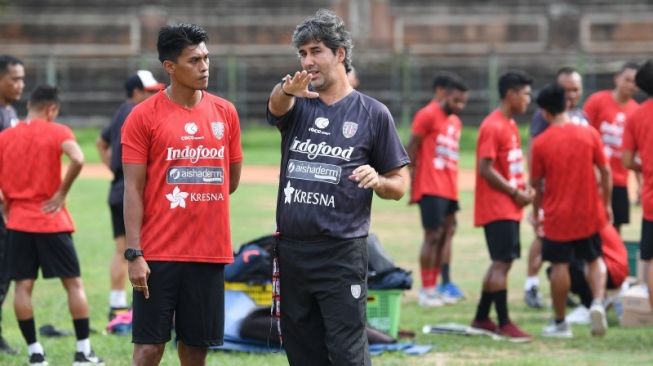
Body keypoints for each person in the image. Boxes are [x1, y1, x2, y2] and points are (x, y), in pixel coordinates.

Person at [266, 9, 409, 365]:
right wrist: (287, 89)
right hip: (293, 250)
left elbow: (400, 184)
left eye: (316, 51)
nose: (308, 61)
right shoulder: (297, 103)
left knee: (346, 352)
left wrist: (379, 181)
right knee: (302, 352)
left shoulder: (373, 114)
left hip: (341, 253)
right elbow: (275, 105)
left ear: (340, 54)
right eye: (302, 53)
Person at [121, 24, 242, 366]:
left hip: (208, 252)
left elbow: (228, 182)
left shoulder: (225, 113)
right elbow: (132, 187)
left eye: (206, 57)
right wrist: (134, 253)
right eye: (194, 60)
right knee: (148, 348)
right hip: (158, 253)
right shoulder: (142, 117)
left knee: (195, 349)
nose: (204, 66)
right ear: (170, 67)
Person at [0, 85, 103, 365]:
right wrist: (61, 194)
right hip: (52, 221)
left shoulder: (6, 137)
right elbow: (79, 158)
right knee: (73, 285)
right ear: (52, 109)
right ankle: (83, 351)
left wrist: (7, 206)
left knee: (23, 287)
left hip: (19, 222)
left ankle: (35, 353)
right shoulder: (58, 131)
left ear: (29, 106)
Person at [530, 84, 611, 338]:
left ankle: (560, 322)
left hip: (557, 215)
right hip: (589, 209)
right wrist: (606, 202)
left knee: (559, 265)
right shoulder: (590, 134)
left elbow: (536, 184)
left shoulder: (541, 143)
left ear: (544, 113)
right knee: (595, 258)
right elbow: (606, 172)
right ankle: (597, 303)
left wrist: (536, 212)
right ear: (567, 105)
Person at [96, 70, 164, 321]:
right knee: (135, 249)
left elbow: (100, 143)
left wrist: (115, 172)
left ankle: (117, 304)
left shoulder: (120, 112)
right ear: (136, 92)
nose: (153, 96)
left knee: (121, 249)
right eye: (148, 92)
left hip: (119, 188)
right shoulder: (136, 113)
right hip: (132, 191)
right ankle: (134, 307)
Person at [471, 71, 533, 342]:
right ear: (511, 94)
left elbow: (510, 166)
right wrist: (514, 192)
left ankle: (482, 318)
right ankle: (504, 322)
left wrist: (524, 187)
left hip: (510, 204)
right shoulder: (493, 125)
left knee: (501, 263)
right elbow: (485, 168)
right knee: (502, 264)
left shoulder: (509, 124)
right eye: (525, 94)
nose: (528, 100)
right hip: (499, 207)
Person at [524, 67, 589, 309]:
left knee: (573, 245)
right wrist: (536, 188)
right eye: (567, 89)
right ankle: (531, 284)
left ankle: (573, 288)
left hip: (578, 193)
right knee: (543, 235)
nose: (571, 94)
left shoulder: (583, 117)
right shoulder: (545, 115)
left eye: (576, 89)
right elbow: (535, 151)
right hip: (551, 189)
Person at [406, 74, 468, 306]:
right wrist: (412, 182)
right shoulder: (428, 114)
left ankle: (441, 285)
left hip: (450, 187)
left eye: (463, 102)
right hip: (430, 185)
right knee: (432, 236)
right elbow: (412, 147)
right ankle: (427, 290)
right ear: (445, 95)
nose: (460, 106)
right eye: (456, 101)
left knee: (447, 234)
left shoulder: (456, 121)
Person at [584, 62, 639, 234]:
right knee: (589, 225)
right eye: (627, 80)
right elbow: (583, 136)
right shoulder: (597, 101)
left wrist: (639, 183)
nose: (631, 85)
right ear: (617, 79)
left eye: (635, 82)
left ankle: (611, 261)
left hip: (620, 179)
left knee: (614, 229)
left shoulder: (636, 111)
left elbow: (638, 151)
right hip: (595, 177)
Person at [623, 59, 653, 312]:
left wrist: (647, 167)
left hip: (650, 197)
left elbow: (627, 160)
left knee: (651, 260)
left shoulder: (636, 115)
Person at [0, 54, 24, 355]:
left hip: (11, 205)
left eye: (22, 78)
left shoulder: (10, 112)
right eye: (14, 79)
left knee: (6, 269)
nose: (20, 85)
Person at [561, 224, 628, 325]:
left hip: (612, 271)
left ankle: (590, 305)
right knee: (565, 265)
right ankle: (597, 302)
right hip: (616, 271)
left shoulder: (588, 224)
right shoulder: (599, 221)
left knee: (565, 266)